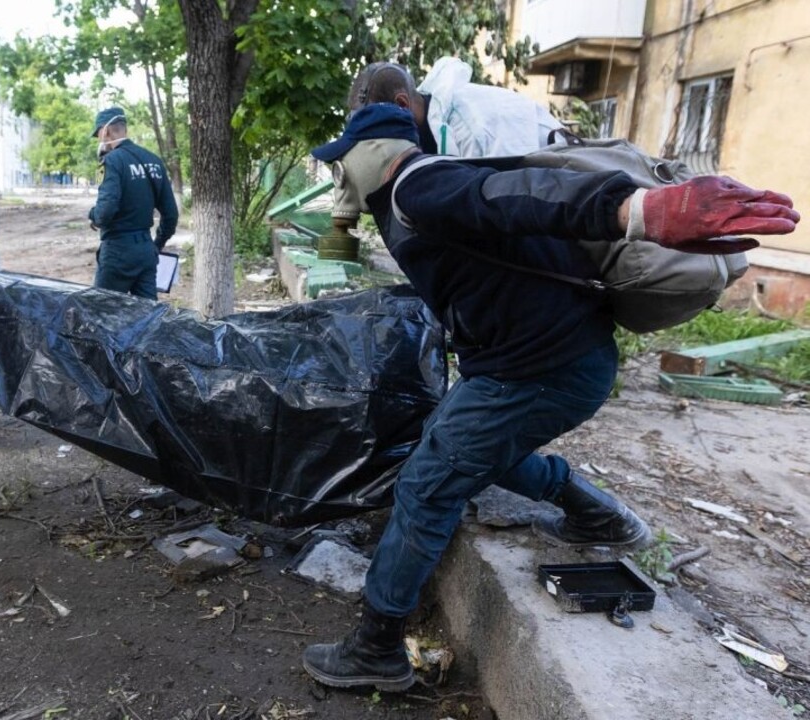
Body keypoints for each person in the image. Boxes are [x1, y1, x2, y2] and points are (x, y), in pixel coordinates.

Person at [300, 99, 799, 693]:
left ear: (369, 153)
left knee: (427, 485)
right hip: (558, 362)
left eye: (342, 162)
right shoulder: (421, 196)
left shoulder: (418, 186)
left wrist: (637, 209)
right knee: (469, 446)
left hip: (540, 369)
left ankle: (375, 650)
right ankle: (600, 515)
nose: (340, 175)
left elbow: (525, 193)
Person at [349, 58, 562, 157]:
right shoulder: (430, 126)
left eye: (376, 127)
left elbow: (511, 204)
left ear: (402, 104)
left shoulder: (470, 128)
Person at [87, 107, 178, 299]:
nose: (99, 140)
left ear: (106, 131)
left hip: (117, 253)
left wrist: (93, 216)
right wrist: (156, 245)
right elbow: (171, 214)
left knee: (102, 313)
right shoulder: (153, 161)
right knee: (147, 319)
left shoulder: (112, 161)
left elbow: (105, 212)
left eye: (98, 135)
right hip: (146, 251)